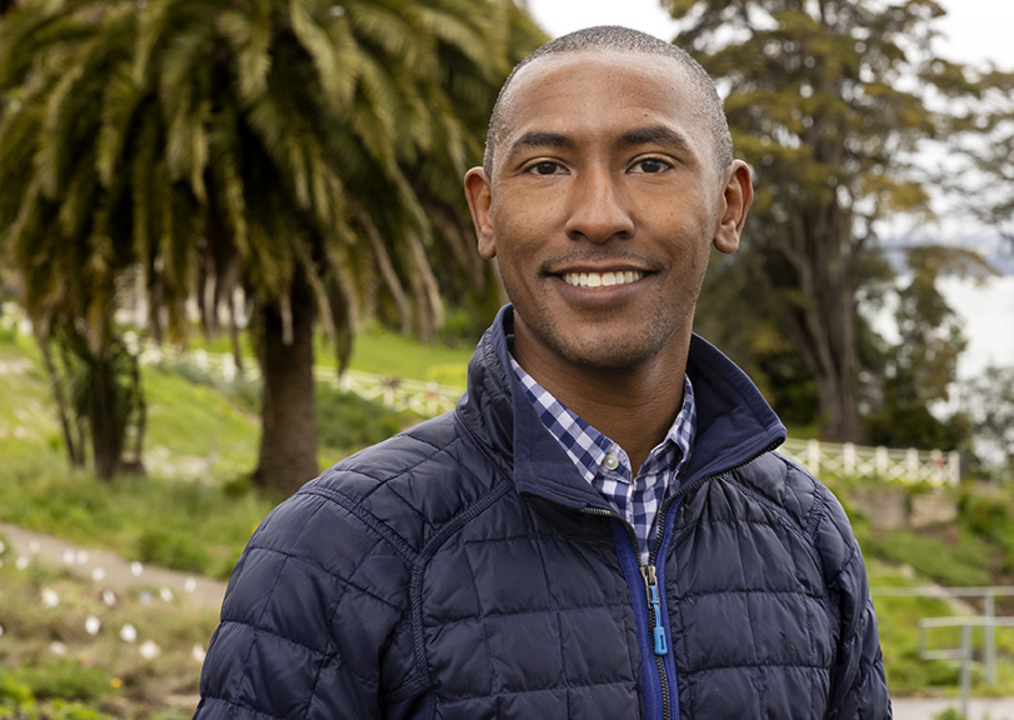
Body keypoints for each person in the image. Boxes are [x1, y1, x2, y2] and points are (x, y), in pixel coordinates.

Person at [194, 25, 890, 720]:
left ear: (729, 206)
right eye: (546, 167)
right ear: (487, 211)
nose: (597, 217)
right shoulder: (332, 551)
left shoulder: (808, 534)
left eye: (649, 164)